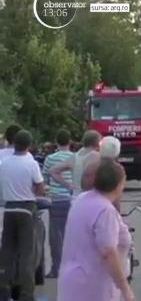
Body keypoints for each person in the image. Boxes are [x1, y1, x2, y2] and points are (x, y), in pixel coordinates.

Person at [58, 159, 135, 301]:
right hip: (94, 286)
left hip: (72, 281)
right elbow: (109, 253)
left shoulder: (82, 199)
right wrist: (125, 289)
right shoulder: (105, 211)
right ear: (118, 184)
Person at [0, 130, 46, 301]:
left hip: (9, 208)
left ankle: (3, 290)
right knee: (27, 253)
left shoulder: (4, 163)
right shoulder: (31, 163)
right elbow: (40, 189)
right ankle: (26, 294)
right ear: (29, 145)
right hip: (27, 209)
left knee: (7, 252)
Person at [42, 129, 74, 279]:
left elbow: (44, 180)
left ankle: (57, 269)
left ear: (56, 142)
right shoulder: (75, 158)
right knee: (73, 235)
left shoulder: (50, 159)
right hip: (72, 200)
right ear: (70, 142)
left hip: (55, 201)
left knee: (56, 237)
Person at [50, 130, 101, 197]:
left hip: (76, 197)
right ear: (97, 143)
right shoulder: (97, 157)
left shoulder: (74, 157)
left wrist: (68, 186)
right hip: (92, 197)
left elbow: (53, 171)